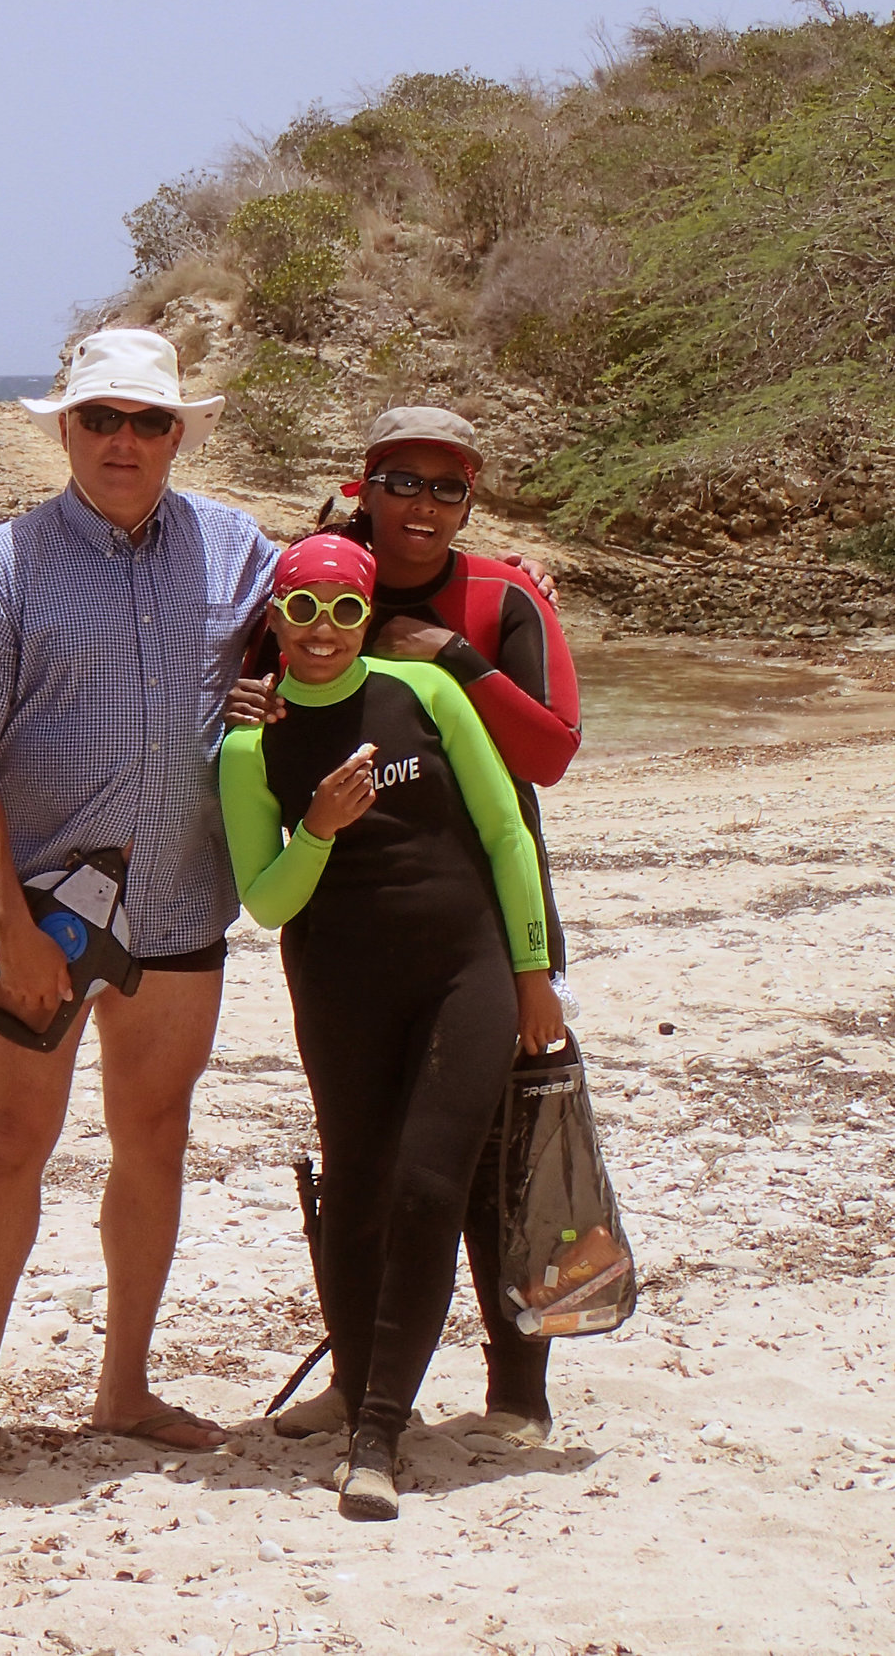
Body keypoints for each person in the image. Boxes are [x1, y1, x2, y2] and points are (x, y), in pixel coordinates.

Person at [0, 326, 280, 1482]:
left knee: (154, 1137)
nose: (122, 441)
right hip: (43, 915)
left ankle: (124, 1385)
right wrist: (7, 926)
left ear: (178, 434)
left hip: (179, 906)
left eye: (146, 420)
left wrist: (514, 592)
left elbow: (339, 615)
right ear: (64, 430)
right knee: (15, 1142)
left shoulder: (236, 549)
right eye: (99, 419)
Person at [234, 405, 582, 1450]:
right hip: (349, 928)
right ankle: (360, 1380)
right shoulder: (314, 588)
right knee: (366, 1163)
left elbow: (550, 752)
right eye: (403, 482)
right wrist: (245, 706)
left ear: (470, 500)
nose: (423, 506)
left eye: (447, 487)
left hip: (491, 917)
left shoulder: (502, 594)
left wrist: (454, 661)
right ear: (364, 486)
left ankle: (517, 1384)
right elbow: (258, 722)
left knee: (494, 1157)